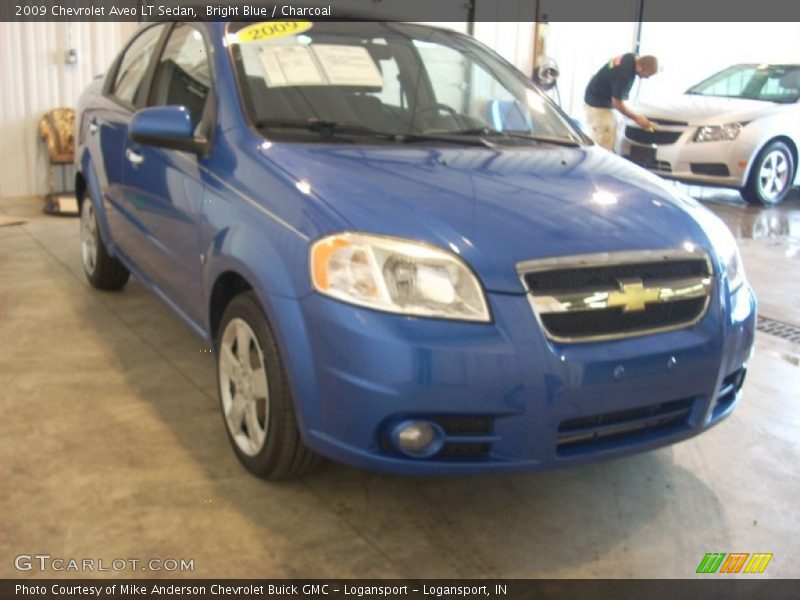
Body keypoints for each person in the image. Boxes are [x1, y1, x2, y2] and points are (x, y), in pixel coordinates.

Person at [584, 54, 658, 151]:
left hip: (595, 99)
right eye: (647, 75)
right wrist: (637, 118)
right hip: (598, 106)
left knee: (611, 135)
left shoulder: (631, 57)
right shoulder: (625, 73)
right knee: (602, 144)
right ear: (640, 68)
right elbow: (617, 103)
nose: (647, 78)